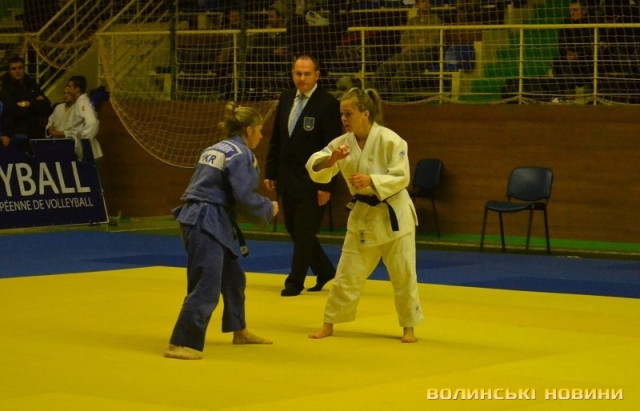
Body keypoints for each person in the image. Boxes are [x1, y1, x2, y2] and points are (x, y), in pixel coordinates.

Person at [305, 87, 423, 343]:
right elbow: (315, 164)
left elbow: (402, 177)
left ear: (365, 114)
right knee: (346, 273)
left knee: (403, 274)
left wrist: (372, 180)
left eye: (348, 114)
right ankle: (329, 323)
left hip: (394, 216)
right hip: (363, 216)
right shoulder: (342, 143)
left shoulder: (392, 140)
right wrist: (332, 159)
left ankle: (409, 327)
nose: (343, 119)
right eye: (342, 114)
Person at [165, 102, 278, 360]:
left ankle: (239, 331)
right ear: (248, 130)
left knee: (233, 278)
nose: (261, 136)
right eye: (260, 130)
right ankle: (180, 343)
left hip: (200, 217)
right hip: (208, 220)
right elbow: (243, 196)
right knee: (206, 285)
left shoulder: (215, 148)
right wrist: (268, 208)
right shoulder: (241, 154)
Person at [264, 54, 343, 297]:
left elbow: (333, 148)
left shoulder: (328, 104)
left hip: (314, 180)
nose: (302, 78)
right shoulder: (287, 98)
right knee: (293, 229)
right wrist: (271, 171)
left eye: (307, 74)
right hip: (287, 177)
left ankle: (295, 282)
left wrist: (327, 185)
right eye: (298, 73)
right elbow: (277, 139)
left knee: (304, 232)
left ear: (317, 75)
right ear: (292, 74)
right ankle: (324, 270)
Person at [371, 0, 443, 98]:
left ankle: (389, 91)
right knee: (391, 62)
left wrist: (411, 46)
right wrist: (419, 41)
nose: (425, 4)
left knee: (406, 64)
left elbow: (431, 43)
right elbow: (403, 40)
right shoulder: (412, 21)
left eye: (428, 2)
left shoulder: (436, 20)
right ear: (417, 5)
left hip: (427, 54)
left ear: (431, 5)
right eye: (422, 2)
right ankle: (374, 88)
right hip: (409, 52)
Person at [0, 55, 51, 157]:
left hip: (37, 131)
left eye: (20, 68)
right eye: (14, 69)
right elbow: (15, 112)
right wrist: (36, 104)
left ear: (24, 69)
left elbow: (46, 105)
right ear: (9, 71)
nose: (17, 71)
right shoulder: (5, 89)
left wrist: (28, 104)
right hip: (18, 132)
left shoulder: (32, 84)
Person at [45, 75, 102, 161]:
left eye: (69, 86)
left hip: (86, 148)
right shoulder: (74, 104)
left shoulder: (83, 103)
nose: (67, 89)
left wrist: (83, 140)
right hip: (75, 147)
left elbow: (93, 123)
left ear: (77, 89)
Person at [552, 0, 595, 91]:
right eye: (571, 10)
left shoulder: (593, 22)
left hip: (586, 56)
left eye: (575, 10)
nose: (572, 13)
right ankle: (561, 92)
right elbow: (562, 42)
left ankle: (585, 86)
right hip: (570, 55)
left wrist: (578, 54)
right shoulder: (566, 22)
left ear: (584, 10)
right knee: (557, 61)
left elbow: (592, 44)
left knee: (583, 61)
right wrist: (568, 52)